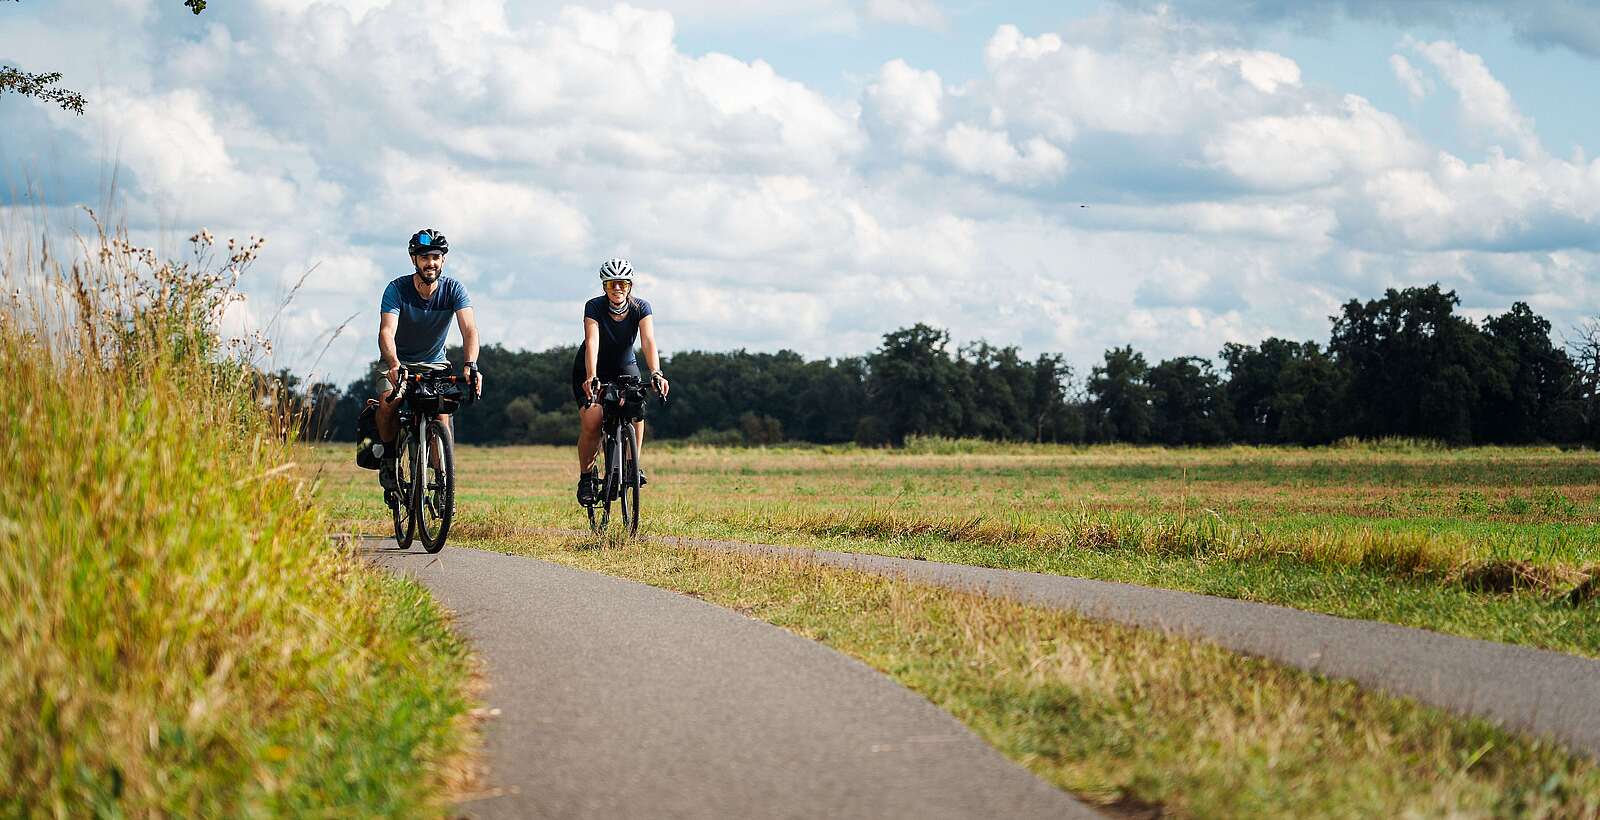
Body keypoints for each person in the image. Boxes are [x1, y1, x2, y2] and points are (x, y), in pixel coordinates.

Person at [375, 228, 483, 491]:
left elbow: (469, 330)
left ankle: (443, 485)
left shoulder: (454, 289)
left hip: (436, 365)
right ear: (414, 260)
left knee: (441, 416)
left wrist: (470, 365)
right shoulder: (397, 289)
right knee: (391, 402)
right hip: (397, 363)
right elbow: (386, 331)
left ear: (443, 260)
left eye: (436, 256)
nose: (430, 262)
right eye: (424, 257)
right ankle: (389, 457)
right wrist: (393, 364)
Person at [573, 258, 669, 505]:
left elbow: (648, 341)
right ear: (604, 287)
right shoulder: (594, 307)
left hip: (625, 365)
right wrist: (592, 375)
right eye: (611, 284)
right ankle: (586, 477)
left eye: (622, 284)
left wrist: (656, 372)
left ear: (629, 286)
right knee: (593, 420)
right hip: (593, 366)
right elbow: (592, 341)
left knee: (637, 408)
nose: (617, 289)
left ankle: (631, 465)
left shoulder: (641, 308)